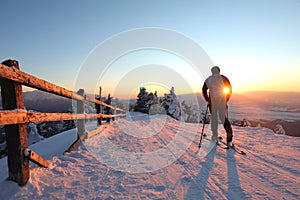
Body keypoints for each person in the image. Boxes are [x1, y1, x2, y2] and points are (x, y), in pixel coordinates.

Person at [202, 66, 233, 144]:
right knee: (223, 117)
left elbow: (204, 89)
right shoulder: (224, 78)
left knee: (214, 117)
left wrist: (207, 99)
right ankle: (229, 131)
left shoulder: (209, 79)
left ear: (212, 72)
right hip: (222, 101)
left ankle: (215, 135)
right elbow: (229, 89)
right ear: (219, 71)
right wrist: (227, 99)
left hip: (212, 102)